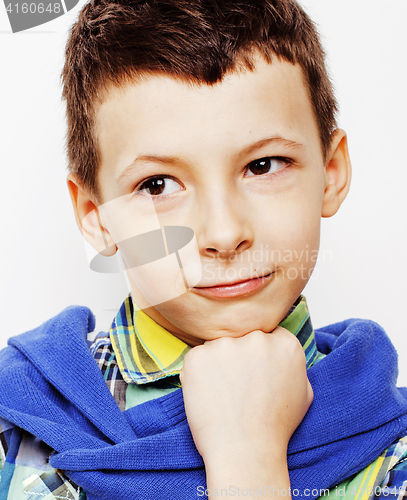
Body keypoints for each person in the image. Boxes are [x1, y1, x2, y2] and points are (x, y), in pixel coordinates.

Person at [1, 0, 407, 499]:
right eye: (157, 185)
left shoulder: (393, 450)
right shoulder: (21, 426)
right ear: (95, 214)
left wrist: (248, 454)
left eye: (263, 166)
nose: (222, 233)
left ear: (332, 173)